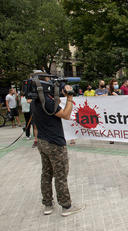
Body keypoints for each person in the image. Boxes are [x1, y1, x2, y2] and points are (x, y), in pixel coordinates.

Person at [33, 75, 86, 217]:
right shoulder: (48, 103)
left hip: (42, 142)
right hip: (55, 144)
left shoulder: (36, 101)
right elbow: (66, 115)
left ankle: (48, 205)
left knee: (46, 174)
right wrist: (69, 97)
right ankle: (66, 206)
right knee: (60, 176)